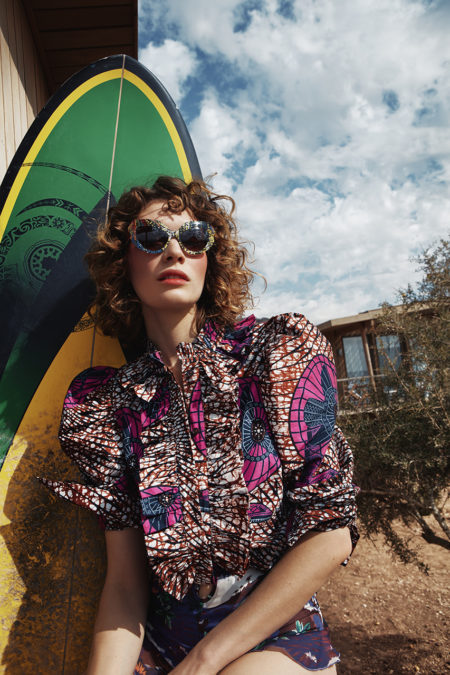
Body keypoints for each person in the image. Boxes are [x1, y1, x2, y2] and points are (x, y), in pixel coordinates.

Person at [43, 175, 358, 674]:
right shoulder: (106, 405)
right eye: (151, 237)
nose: (174, 250)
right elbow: (124, 586)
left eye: (193, 237)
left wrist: (202, 664)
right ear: (124, 262)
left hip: (273, 637)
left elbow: (331, 535)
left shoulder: (275, 355)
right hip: (161, 645)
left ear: (210, 258)